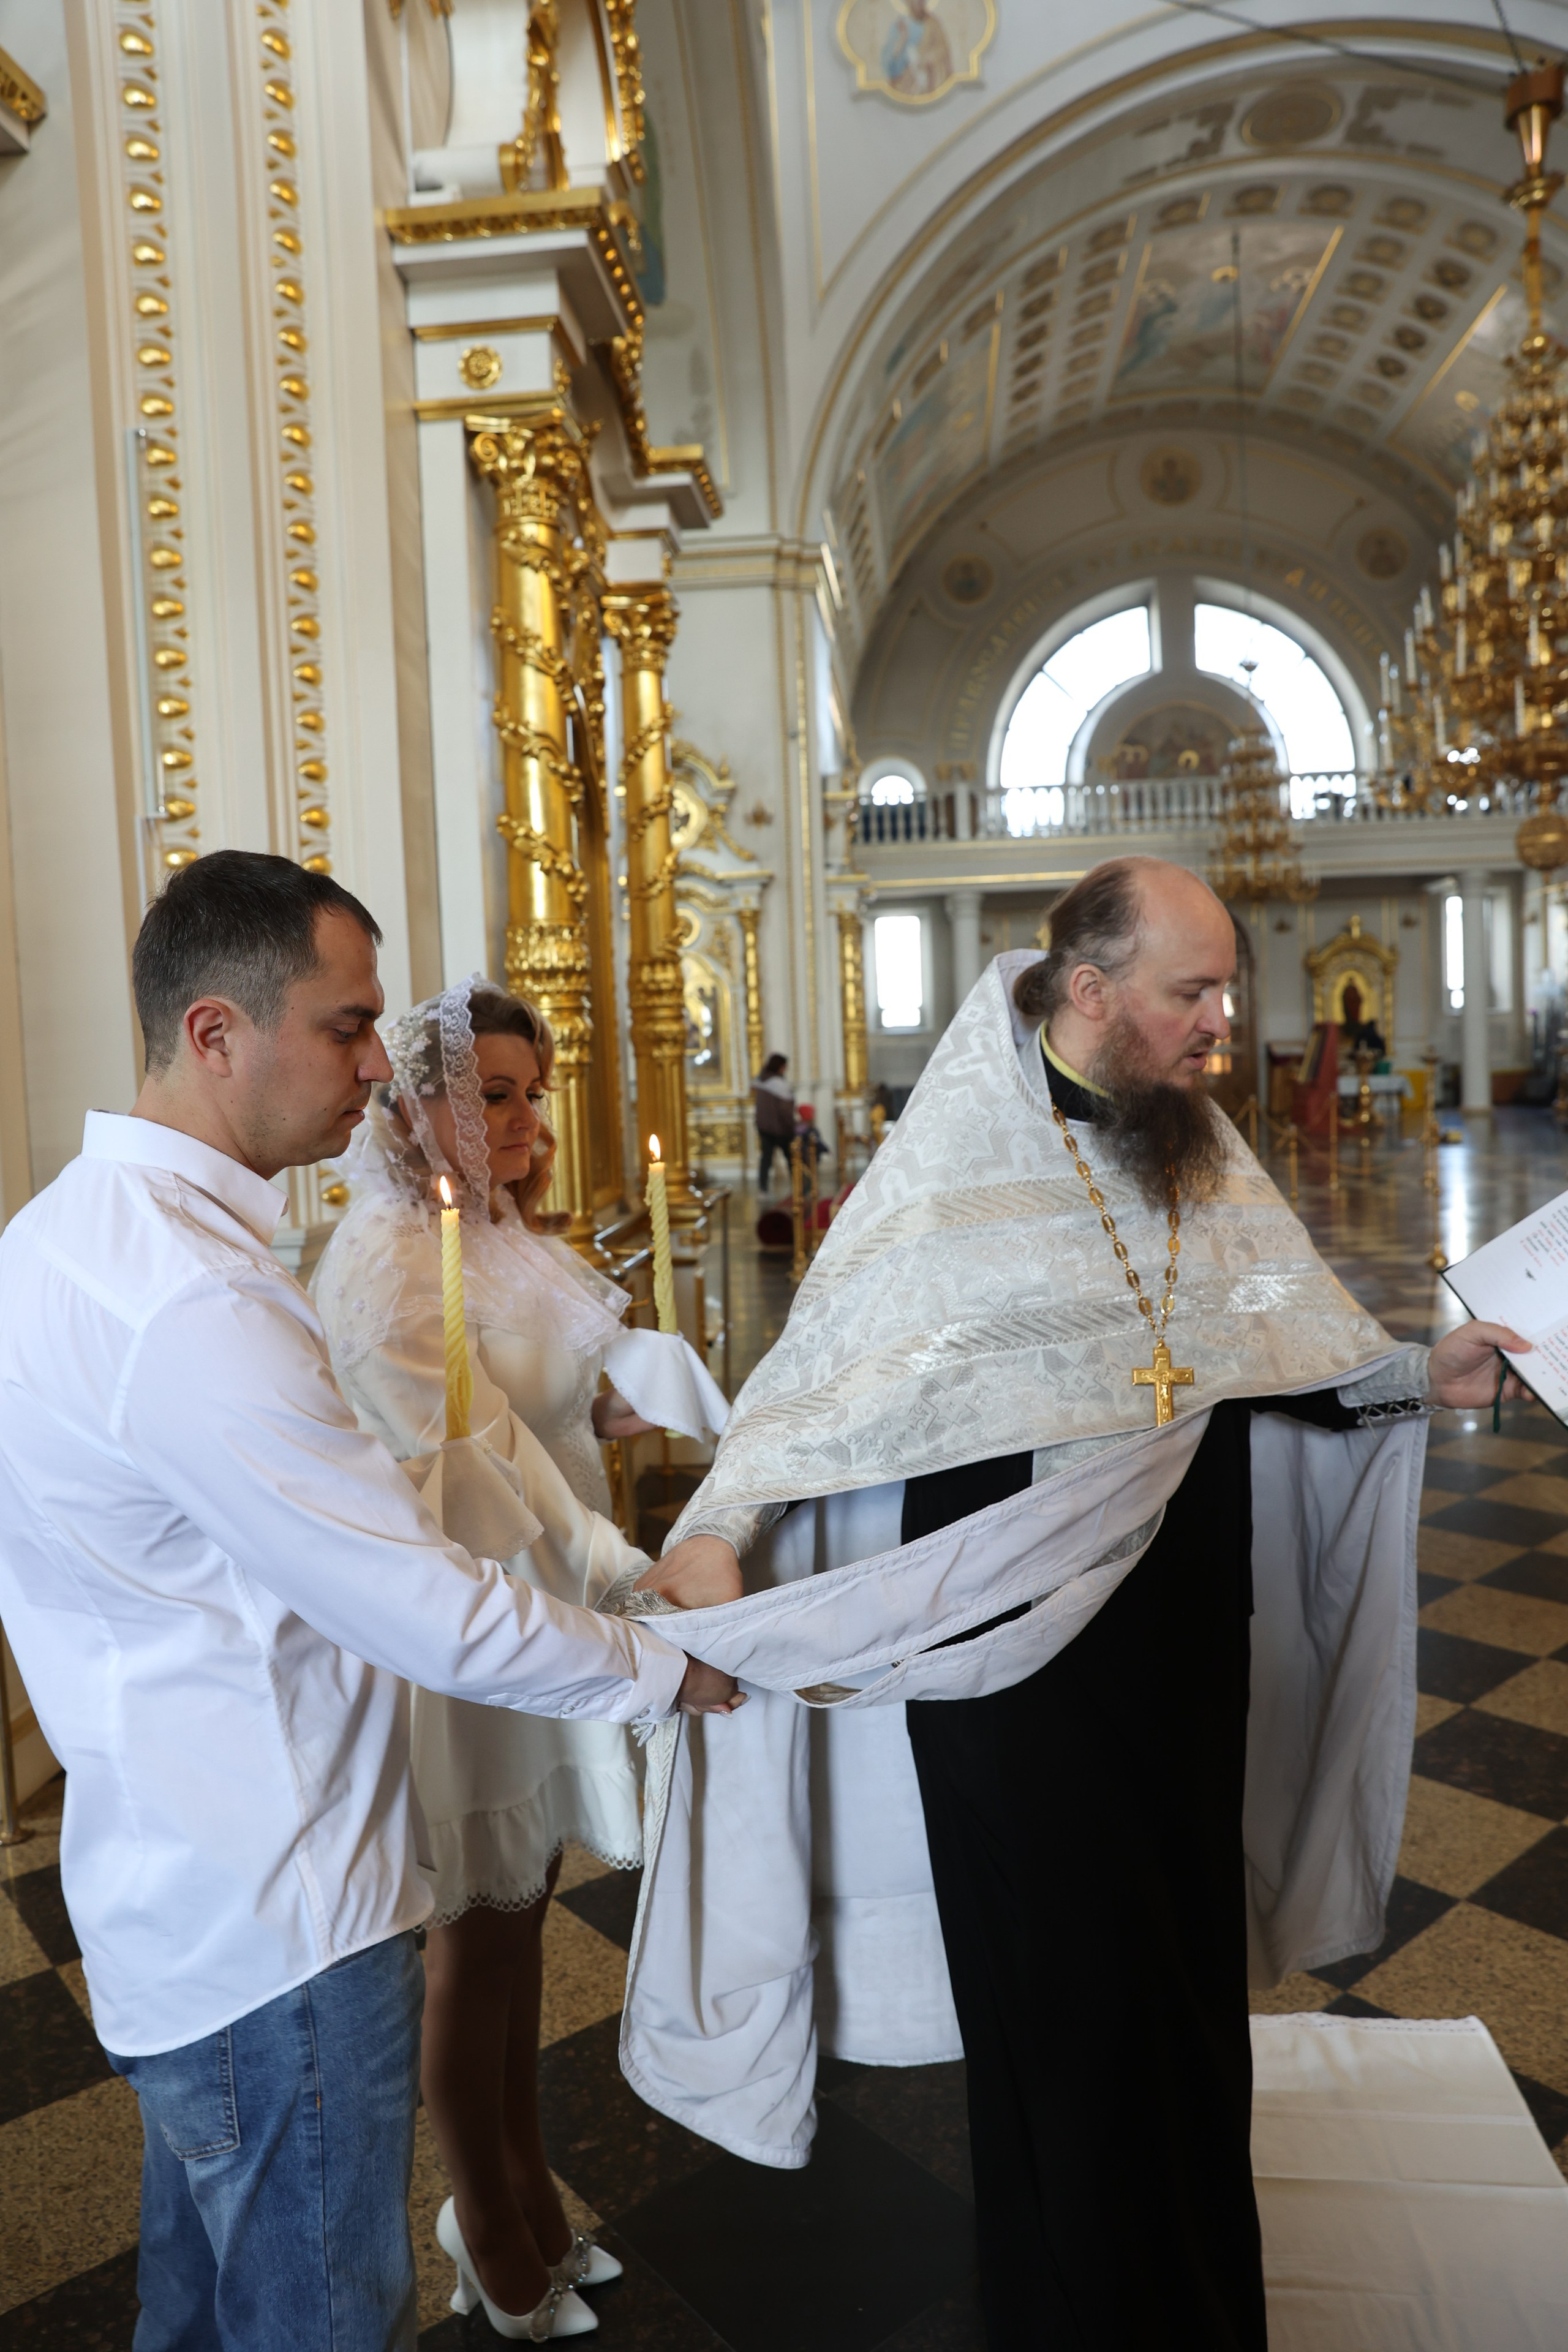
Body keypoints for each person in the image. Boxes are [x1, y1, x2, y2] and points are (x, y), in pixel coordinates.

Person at [608, 856, 1527, 2352]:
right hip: (1018, 1672)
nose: (1222, 1021)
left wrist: (1420, 1374)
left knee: (1171, 1986)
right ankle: (1076, 2311)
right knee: (1060, 2004)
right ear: (1087, 991)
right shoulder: (953, 1154)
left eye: (1222, 988)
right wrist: (717, 1525)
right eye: (1191, 992)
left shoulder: (1197, 1146)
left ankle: (1190, 2305)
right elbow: (818, 1377)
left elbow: (1278, 1359)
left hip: (1179, 1658)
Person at [0, 852, 741, 2352]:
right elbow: (415, 1597)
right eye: (345, 1030)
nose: (373, 1069)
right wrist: (660, 1665)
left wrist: (595, 1558)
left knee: (197, 2312)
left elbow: (360, 1519)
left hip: (166, 1876)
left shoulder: (57, 1237)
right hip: (283, 1909)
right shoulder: (199, 1296)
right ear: (215, 1033)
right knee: (318, 2318)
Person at [311, 975, 728, 2331]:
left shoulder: (486, 1234)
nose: (527, 1122)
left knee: (522, 1918)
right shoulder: (382, 1261)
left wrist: (622, 1398)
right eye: (494, 1095)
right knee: (470, 1943)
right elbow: (473, 1455)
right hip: (463, 1628)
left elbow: (542, 1410)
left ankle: (526, 2181)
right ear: (410, 1100)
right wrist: (613, 1571)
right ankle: (481, 2218)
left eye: (531, 1094)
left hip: (539, 1598)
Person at [751, 1052, 794, 1192]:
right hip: (780, 1129)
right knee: (792, 1158)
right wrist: (791, 1127)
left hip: (764, 1128)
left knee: (766, 1160)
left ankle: (763, 1188)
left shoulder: (761, 1081)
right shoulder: (779, 1084)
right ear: (780, 1067)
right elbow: (785, 1110)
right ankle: (800, 1187)